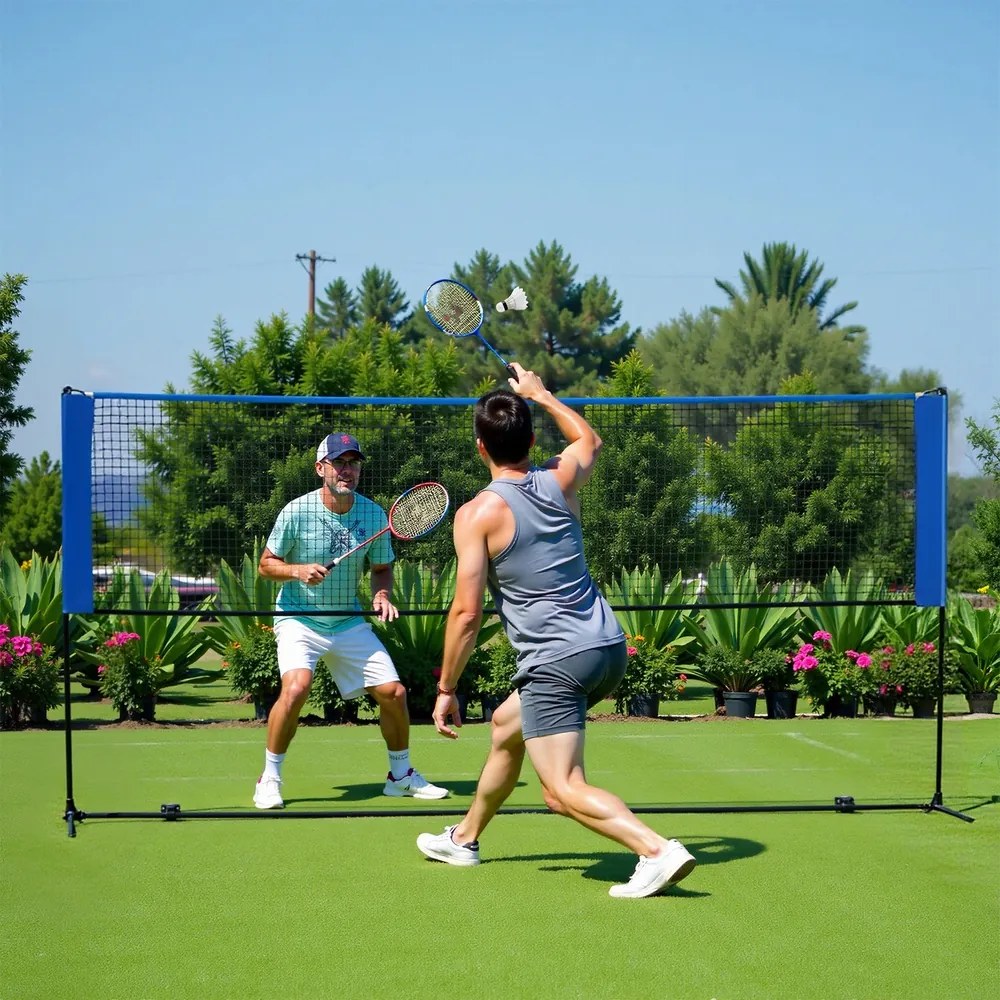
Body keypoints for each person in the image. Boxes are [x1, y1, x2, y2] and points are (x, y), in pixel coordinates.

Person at [416, 365, 695, 898]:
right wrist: (541, 393)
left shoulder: (476, 514)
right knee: (504, 727)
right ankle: (465, 837)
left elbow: (467, 615)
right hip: (606, 647)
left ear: (480, 447)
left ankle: (656, 850)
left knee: (561, 790)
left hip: (556, 662)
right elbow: (589, 438)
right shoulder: (559, 476)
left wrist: (446, 688)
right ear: (529, 439)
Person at [252, 432, 449, 809]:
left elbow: (381, 568)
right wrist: (296, 571)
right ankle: (270, 777)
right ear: (320, 468)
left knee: (394, 693)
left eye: (353, 463)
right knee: (296, 689)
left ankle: (400, 776)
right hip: (299, 618)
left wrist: (382, 594)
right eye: (339, 462)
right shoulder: (295, 511)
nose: (347, 470)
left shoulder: (373, 513)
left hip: (347, 621)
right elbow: (266, 566)